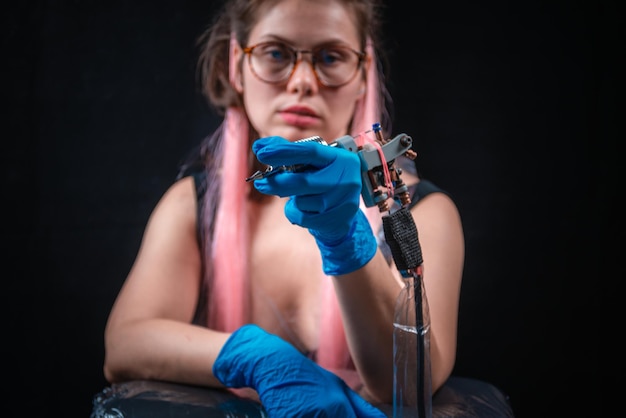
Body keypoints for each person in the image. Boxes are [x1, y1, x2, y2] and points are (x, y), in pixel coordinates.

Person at [101, 0, 464, 416]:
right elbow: (124, 345)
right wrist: (256, 357)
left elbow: (415, 378)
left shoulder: (425, 212)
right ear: (237, 64)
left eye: (331, 57)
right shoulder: (192, 205)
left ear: (364, 74)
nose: (303, 82)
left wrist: (346, 239)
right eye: (276, 53)